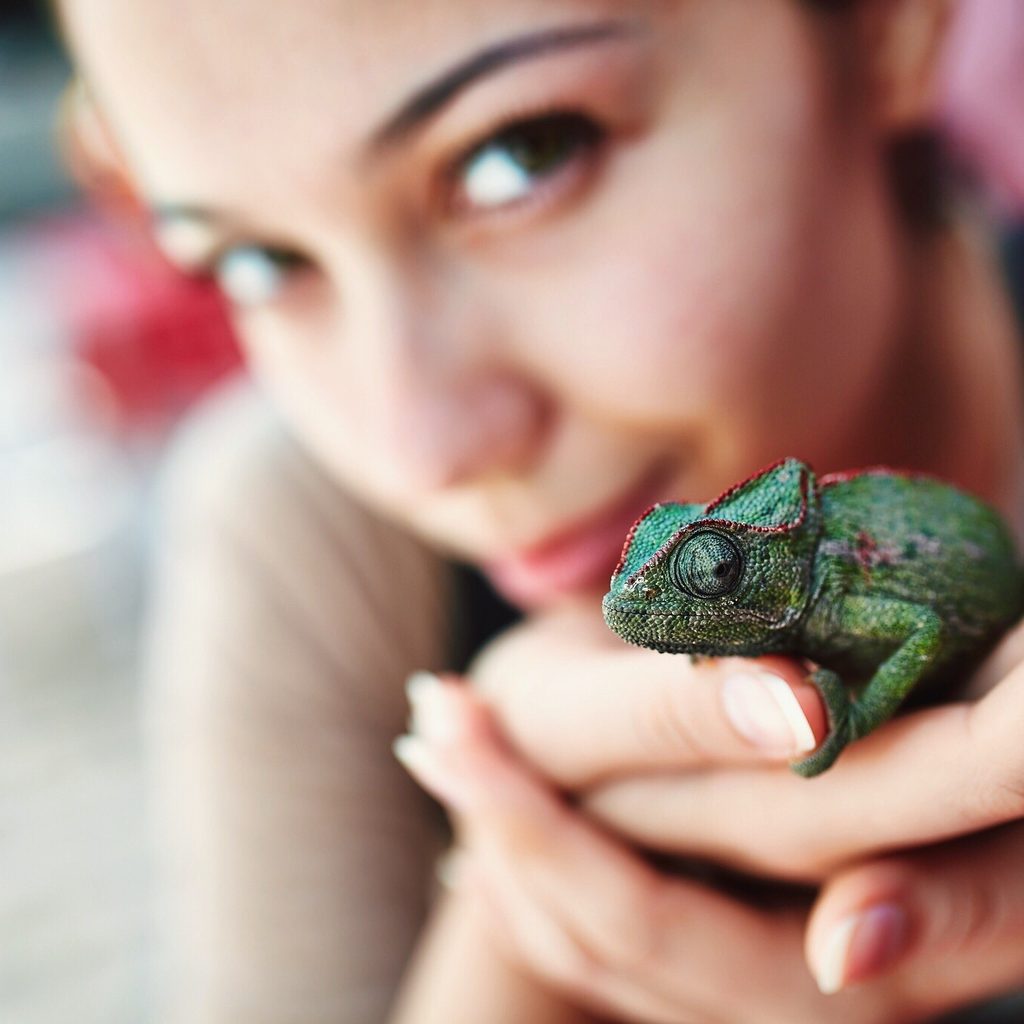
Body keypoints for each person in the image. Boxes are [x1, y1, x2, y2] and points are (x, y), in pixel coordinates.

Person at [53, 0, 1024, 1020]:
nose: (424, 451)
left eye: (521, 156)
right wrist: (514, 936)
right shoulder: (302, 543)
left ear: (882, 26)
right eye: (257, 262)